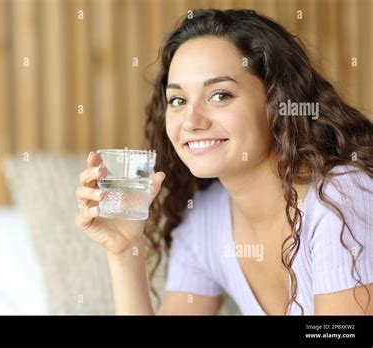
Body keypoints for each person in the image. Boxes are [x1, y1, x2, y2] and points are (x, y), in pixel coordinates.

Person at [75, 9, 373, 315]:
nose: (192, 120)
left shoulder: (341, 197)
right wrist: (125, 250)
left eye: (220, 95)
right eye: (178, 100)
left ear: (277, 102)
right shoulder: (204, 221)